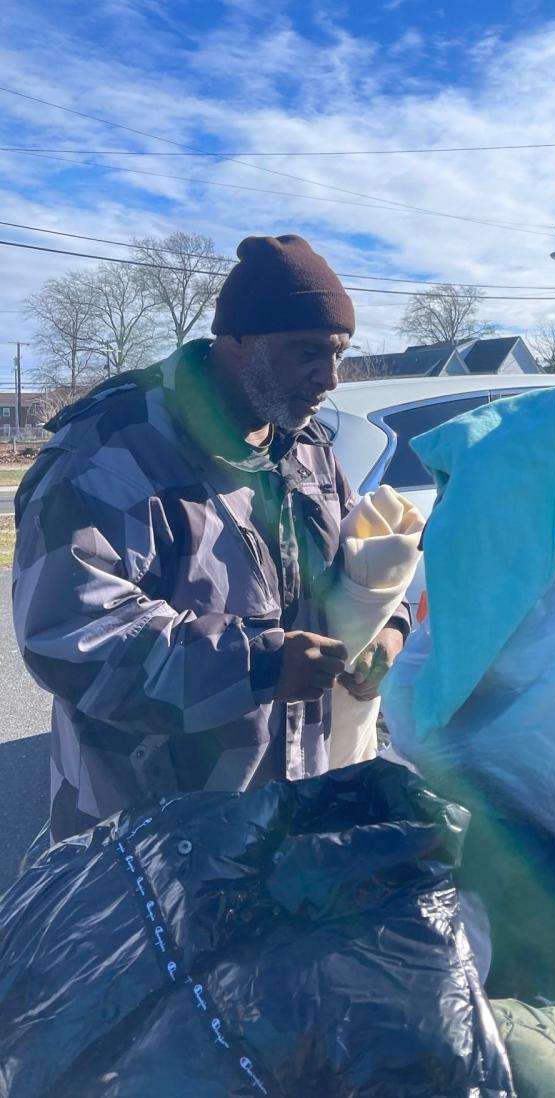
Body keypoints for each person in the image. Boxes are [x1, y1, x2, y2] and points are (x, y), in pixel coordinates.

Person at [13, 234, 409, 844]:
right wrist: (260, 663)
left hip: (287, 815)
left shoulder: (305, 448)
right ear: (238, 340)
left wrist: (390, 627)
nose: (328, 377)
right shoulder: (110, 449)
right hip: (150, 840)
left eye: (339, 355)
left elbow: (354, 565)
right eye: (307, 352)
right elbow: (72, 636)